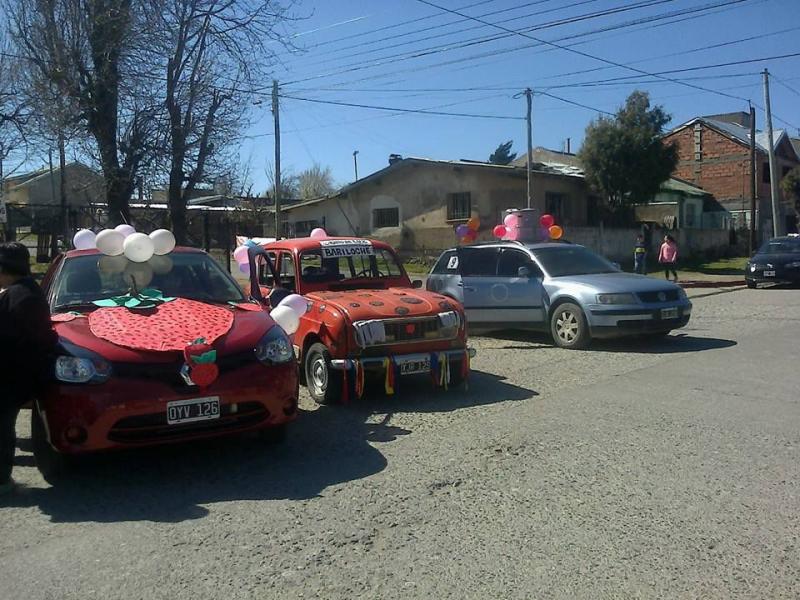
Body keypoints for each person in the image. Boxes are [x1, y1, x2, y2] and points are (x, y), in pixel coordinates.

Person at [0, 242, 56, 494]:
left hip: (9, 375)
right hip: (10, 375)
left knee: (3, 429)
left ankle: (2, 483)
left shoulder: (23, 297)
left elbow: (39, 336)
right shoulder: (19, 292)